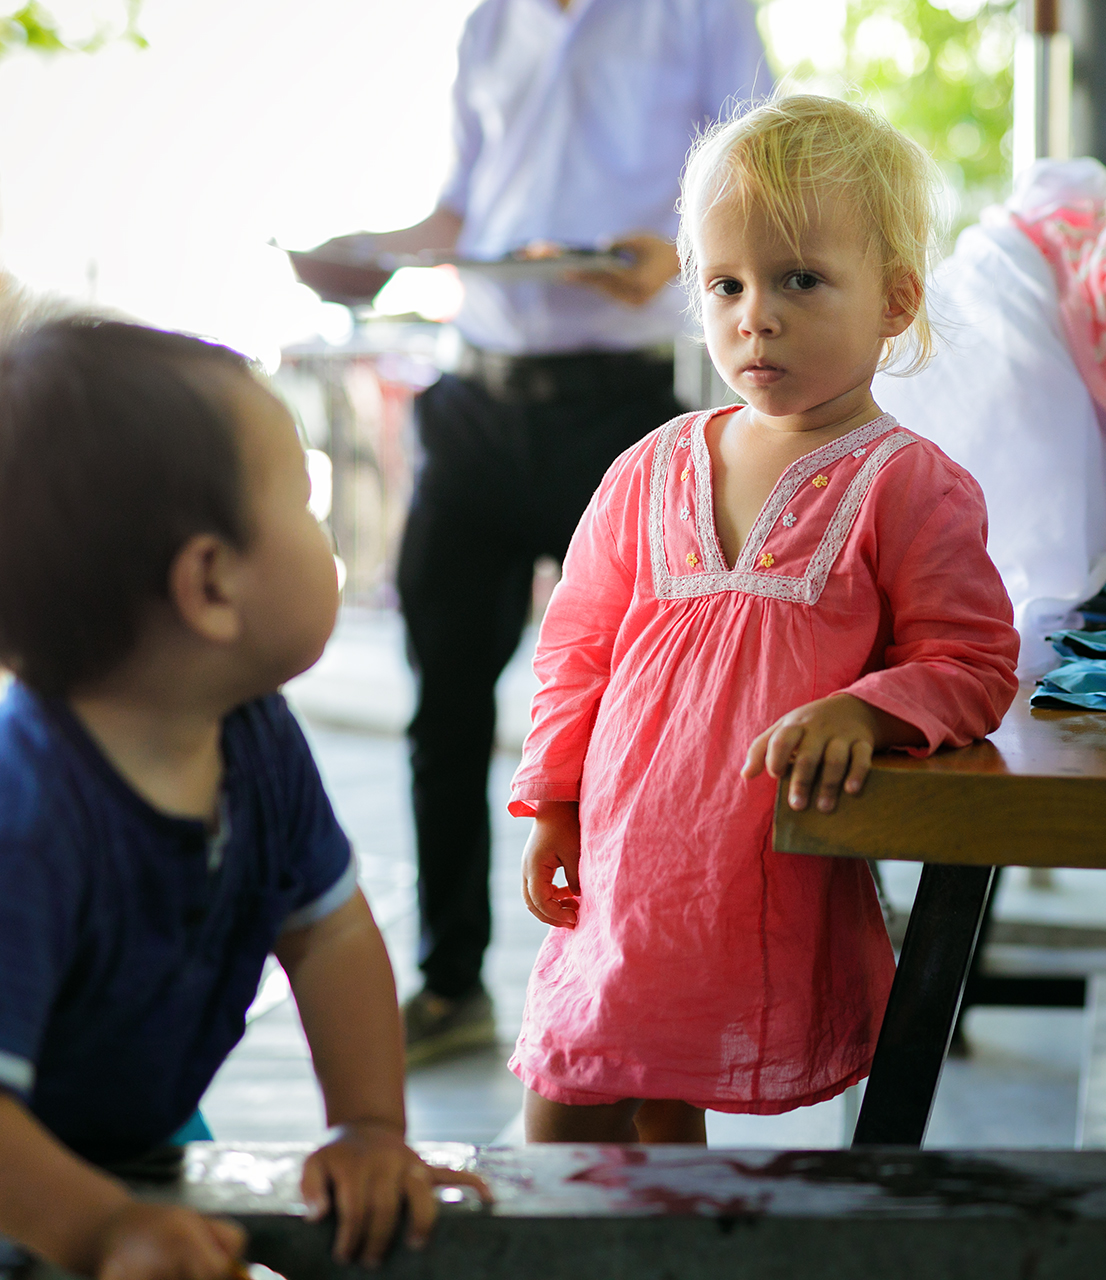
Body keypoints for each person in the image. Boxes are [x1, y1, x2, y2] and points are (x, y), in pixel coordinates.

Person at [0, 310, 487, 1276]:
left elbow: (329, 932)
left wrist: (368, 1127)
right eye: (304, 505)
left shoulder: (250, 732)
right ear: (210, 585)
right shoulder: (15, 821)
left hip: (92, 1108)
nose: (325, 536)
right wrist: (102, 1227)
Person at [505, 96, 1020, 1141]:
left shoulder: (908, 484)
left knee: (650, 1108)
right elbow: (577, 651)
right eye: (726, 283)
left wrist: (870, 709)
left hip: (756, 871)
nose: (757, 315)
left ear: (894, 300)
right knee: (572, 1109)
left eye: (800, 280)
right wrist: (554, 796)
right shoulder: (649, 469)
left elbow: (972, 659)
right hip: (625, 869)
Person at [314, 0, 774, 1067]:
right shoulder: (488, 24)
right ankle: (450, 980)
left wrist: (680, 254)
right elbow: (461, 213)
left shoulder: (698, 13)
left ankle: (632, 984)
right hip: (473, 400)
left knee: (645, 713)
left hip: (620, 411)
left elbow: (759, 177)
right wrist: (377, 251)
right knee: (444, 703)